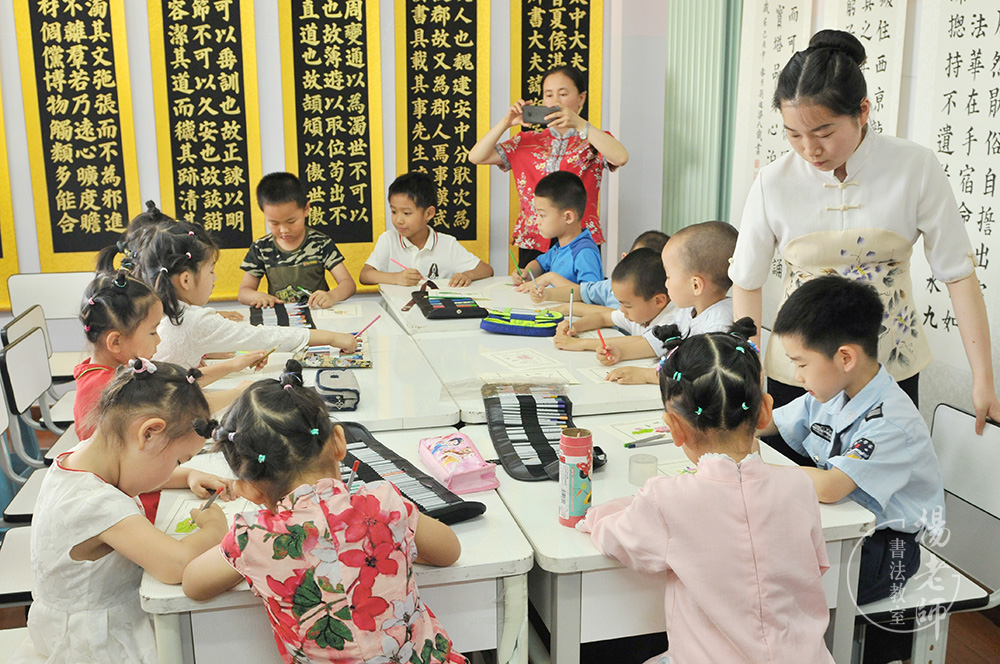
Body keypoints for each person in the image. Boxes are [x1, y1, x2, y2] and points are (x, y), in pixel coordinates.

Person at [729, 29, 1000, 435]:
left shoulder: (914, 167)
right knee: (795, 474)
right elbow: (746, 282)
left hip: (889, 371)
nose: (809, 150)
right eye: (794, 135)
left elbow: (958, 276)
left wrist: (984, 380)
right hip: (798, 375)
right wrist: (750, 370)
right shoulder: (774, 181)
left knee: (882, 471)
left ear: (863, 111)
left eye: (823, 133)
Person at [580, 319, 834, 664]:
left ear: (674, 427)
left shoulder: (665, 499)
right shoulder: (799, 486)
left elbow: (614, 537)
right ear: (764, 412)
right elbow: (816, 565)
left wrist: (593, 516)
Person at [182, 361, 466, 664]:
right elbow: (449, 550)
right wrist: (389, 542)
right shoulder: (382, 504)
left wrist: (214, 529)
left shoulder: (253, 538)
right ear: (339, 442)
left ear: (248, 490)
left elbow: (194, 584)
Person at [762, 276, 945, 663]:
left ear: (845, 358)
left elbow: (830, 487)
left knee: (775, 589)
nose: (797, 376)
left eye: (801, 364)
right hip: (849, 527)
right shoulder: (831, 390)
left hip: (890, 550)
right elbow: (770, 423)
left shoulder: (891, 420)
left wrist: (756, 467)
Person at [9, 360, 230, 664]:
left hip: (77, 624)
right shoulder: (96, 505)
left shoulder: (81, 456)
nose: (174, 470)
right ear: (149, 433)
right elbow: (176, 565)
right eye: (178, 460)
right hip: (97, 644)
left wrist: (188, 475)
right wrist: (214, 529)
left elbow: (134, 469)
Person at [469, 65, 629, 267]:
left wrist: (580, 124)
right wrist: (506, 122)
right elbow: (476, 156)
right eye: (549, 95)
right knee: (531, 285)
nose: (555, 101)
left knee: (579, 287)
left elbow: (621, 157)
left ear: (581, 98)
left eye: (563, 94)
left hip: (579, 240)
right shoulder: (526, 141)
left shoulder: (593, 140)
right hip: (535, 238)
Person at [142, 221, 356, 372]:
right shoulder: (195, 320)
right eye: (211, 271)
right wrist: (332, 338)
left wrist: (218, 358)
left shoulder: (157, 310)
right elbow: (264, 336)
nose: (215, 278)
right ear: (186, 280)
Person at [76, 269, 264, 440]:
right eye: (153, 332)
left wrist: (233, 365)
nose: (158, 340)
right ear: (115, 342)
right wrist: (240, 392)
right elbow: (180, 407)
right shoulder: (109, 387)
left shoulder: (119, 368)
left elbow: (175, 384)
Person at [601, 221, 737, 384]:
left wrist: (647, 376)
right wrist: (621, 353)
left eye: (668, 276)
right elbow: (655, 343)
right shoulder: (688, 311)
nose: (665, 284)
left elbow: (701, 378)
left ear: (695, 285)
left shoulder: (718, 326)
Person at [239, 172, 357, 309]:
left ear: (306, 209)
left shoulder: (320, 243)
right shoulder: (261, 248)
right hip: (282, 317)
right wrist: (257, 296)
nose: (284, 230)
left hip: (317, 314)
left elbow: (348, 284)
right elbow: (244, 292)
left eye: (291, 221)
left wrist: (332, 296)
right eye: (274, 223)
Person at [360, 171, 493, 287]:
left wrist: (467, 275)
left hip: (435, 307)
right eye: (394, 211)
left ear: (429, 213)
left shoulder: (447, 244)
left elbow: (486, 270)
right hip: (396, 307)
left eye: (407, 213)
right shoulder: (389, 239)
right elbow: (365, 275)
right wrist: (396, 278)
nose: (398, 220)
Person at [552, 248, 675, 353]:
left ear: (658, 301)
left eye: (627, 305)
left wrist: (581, 344)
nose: (622, 310)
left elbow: (643, 343)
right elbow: (602, 318)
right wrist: (574, 327)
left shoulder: (672, 322)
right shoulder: (644, 312)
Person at [533, 229, 671, 311]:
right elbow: (581, 291)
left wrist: (567, 308)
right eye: (637, 264)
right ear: (625, 259)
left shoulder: (651, 300)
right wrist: (547, 295)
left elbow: (610, 316)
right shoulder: (608, 285)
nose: (641, 273)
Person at [511, 171, 603, 289]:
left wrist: (550, 278)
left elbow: (592, 293)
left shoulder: (584, 252)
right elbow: (539, 264)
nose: (537, 221)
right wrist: (527, 273)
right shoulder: (559, 248)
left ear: (568, 217)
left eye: (542, 215)